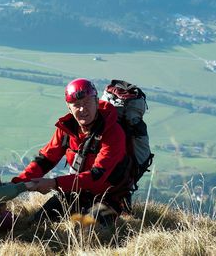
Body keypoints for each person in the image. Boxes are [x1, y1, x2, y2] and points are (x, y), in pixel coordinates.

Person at [13, 78, 130, 225]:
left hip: (108, 196)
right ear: (69, 107)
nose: (82, 109)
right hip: (75, 192)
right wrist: (16, 185)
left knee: (87, 230)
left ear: (96, 102)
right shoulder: (67, 129)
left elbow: (96, 176)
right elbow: (45, 160)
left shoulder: (113, 133)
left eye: (87, 103)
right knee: (37, 223)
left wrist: (53, 183)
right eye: (76, 105)